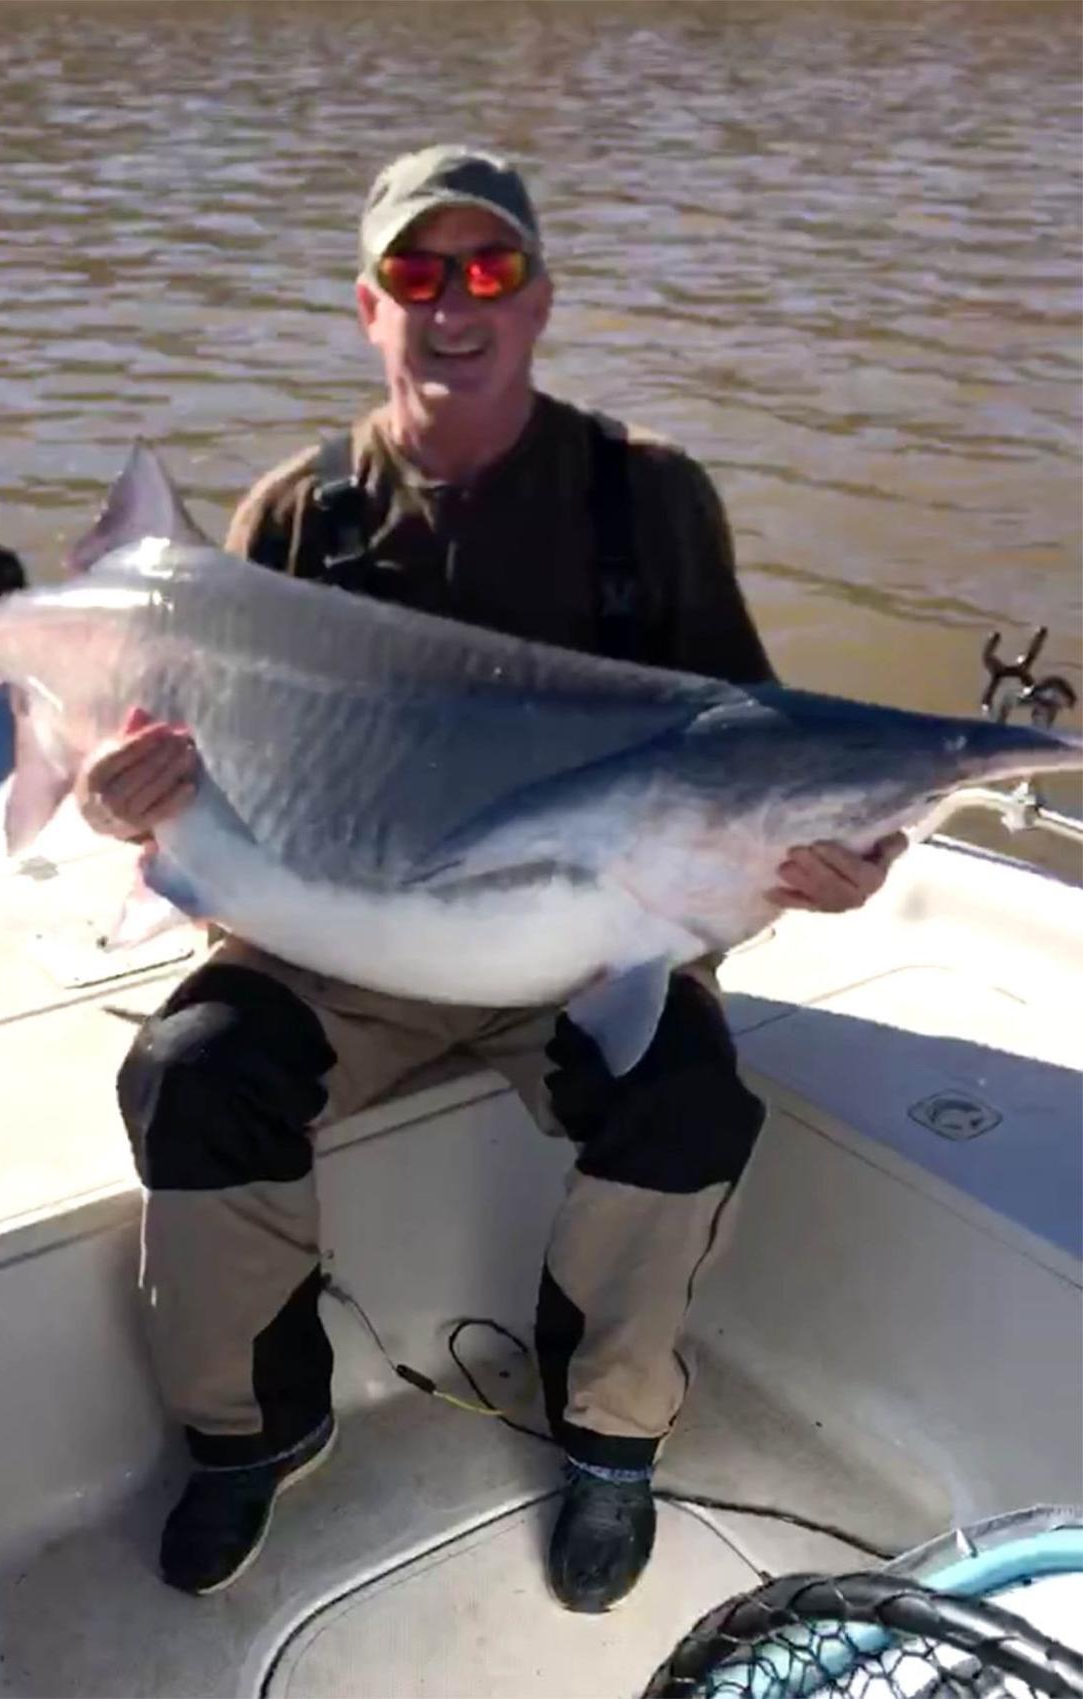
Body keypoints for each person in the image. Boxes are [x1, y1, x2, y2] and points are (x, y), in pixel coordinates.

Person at [79, 146, 905, 1610]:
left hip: (588, 946)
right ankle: (254, 1428)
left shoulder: (645, 498)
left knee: (689, 1095)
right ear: (368, 307)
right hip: (339, 949)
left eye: (487, 270)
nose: (452, 302)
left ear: (537, 298)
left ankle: (609, 1434)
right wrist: (119, 802)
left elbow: (754, 746)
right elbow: (174, 769)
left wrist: (812, 867)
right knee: (193, 1071)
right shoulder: (295, 516)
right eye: (416, 273)